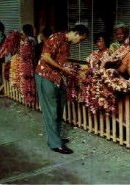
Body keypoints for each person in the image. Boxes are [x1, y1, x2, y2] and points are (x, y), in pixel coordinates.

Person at [35, 24, 89, 154]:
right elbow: (45, 57)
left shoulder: (66, 42)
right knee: (51, 111)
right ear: (76, 33)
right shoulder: (56, 38)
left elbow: (60, 60)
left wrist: (71, 67)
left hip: (57, 79)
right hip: (46, 77)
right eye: (81, 39)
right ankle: (55, 144)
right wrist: (63, 68)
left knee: (59, 109)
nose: (79, 43)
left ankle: (55, 138)